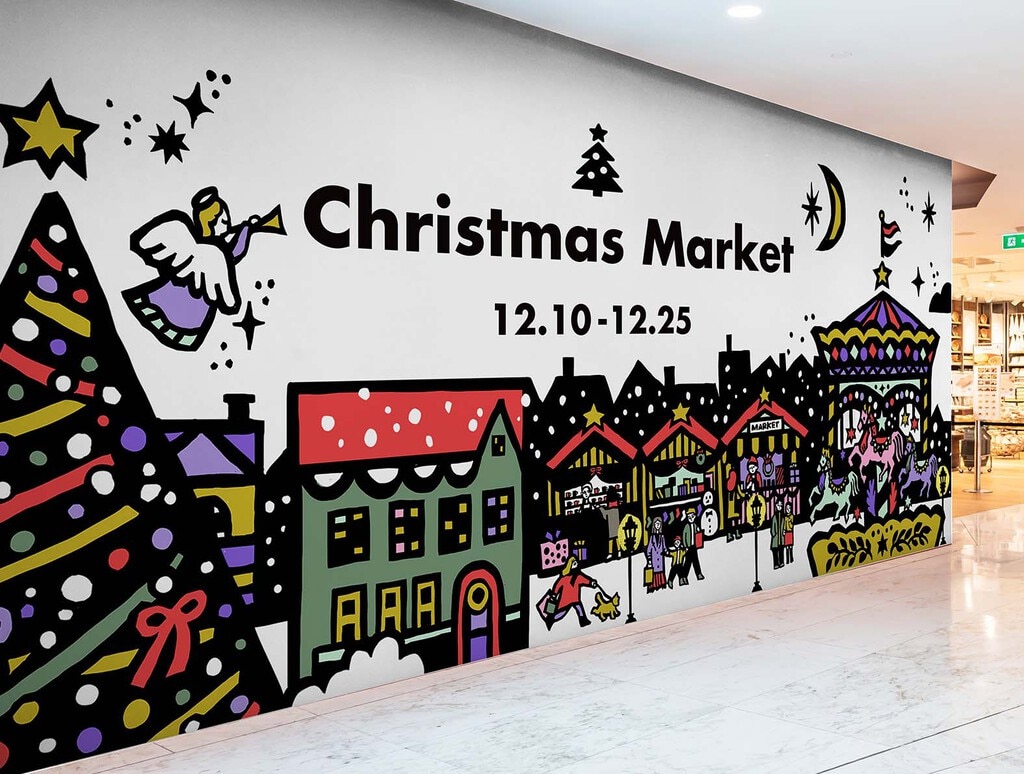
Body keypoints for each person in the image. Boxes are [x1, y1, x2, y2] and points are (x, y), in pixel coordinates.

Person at [540, 556, 608, 629]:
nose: (576, 564)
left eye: (576, 563)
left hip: (575, 598)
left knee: (579, 609)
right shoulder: (564, 578)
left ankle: (583, 621)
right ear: (570, 565)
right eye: (574, 563)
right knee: (562, 613)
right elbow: (557, 586)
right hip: (565, 600)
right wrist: (554, 594)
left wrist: (591, 583)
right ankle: (551, 619)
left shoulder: (578, 576)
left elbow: (585, 580)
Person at [679, 508, 705, 583]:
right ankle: (684, 577)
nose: (691, 518)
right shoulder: (686, 526)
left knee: (695, 561)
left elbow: (698, 534)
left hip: (694, 546)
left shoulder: (695, 525)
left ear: (694, 516)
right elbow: (684, 537)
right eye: (689, 517)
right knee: (688, 562)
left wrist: (699, 531)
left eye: (692, 516)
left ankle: (698, 574)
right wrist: (685, 546)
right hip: (688, 547)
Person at [644, 517, 668, 592]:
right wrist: (649, 559)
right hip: (654, 558)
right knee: (654, 572)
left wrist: (667, 552)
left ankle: (660, 584)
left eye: (659, 524)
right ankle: (653, 585)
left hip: (660, 558)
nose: (658, 525)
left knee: (660, 572)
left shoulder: (662, 537)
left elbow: (664, 547)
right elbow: (649, 549)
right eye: (656, 524)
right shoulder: (652, 537)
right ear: (654, 525)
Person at [770, 495, 785, 569]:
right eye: (778, 505)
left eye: (781, 506)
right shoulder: (774, 517)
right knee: (775, 552)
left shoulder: (783, 517)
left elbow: (784, 525)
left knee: (781, 550)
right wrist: (774, 534)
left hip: (781, 538)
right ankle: (776, 564)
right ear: (776, 506)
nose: (780, 507)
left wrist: (783, 532)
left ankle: (781, 562)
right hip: (776, 538)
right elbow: (773, 527)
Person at [783, 500, 795, 565]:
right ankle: (787, 559)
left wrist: (790, 521)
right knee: (787, 547)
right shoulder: (785, 517)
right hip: (786, 533)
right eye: (787, 508)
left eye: (789, 508)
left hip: (790, 532)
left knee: (790, 546)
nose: (788, 510)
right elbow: (784, 525)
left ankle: (791, 558)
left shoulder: (791, 516)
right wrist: (784, 530)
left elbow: (791, 525)